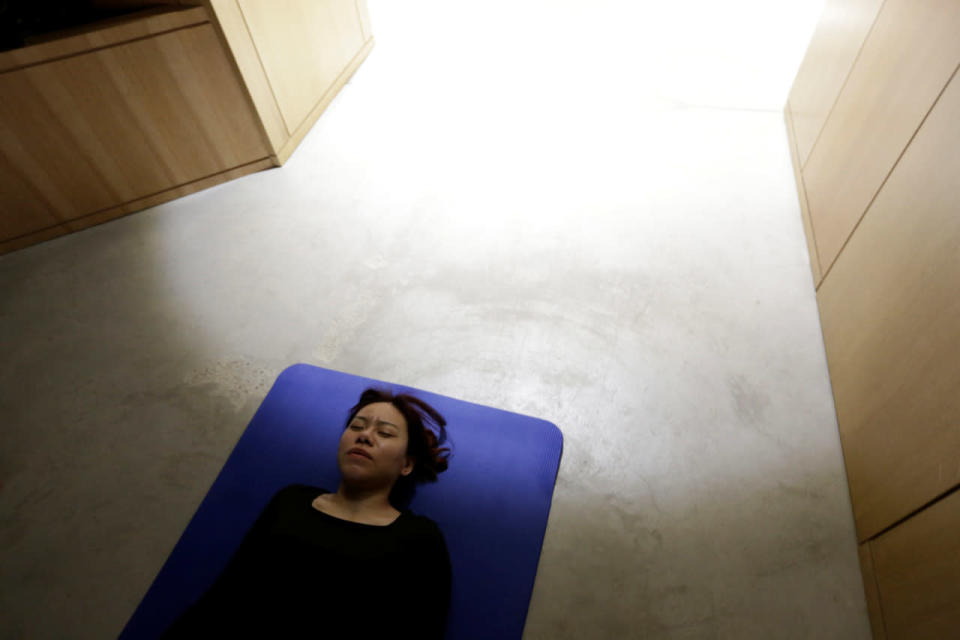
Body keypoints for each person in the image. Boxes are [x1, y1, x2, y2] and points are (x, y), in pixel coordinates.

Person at [159, 388, 453, 639]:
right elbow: (227, 594)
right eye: (356, 426)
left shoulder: (419, 538)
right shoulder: (291, 502)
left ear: (407, 465)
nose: (364, 436)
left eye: (384, 433)